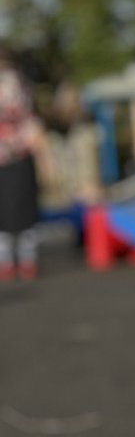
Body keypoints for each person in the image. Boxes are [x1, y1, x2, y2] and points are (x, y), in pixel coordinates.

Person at [0, 47, 48, 281]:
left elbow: (25, 118)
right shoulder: (20, 83)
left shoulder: (16, 84)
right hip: (13, 157)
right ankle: (13, 261)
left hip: (17, 157)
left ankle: (20, 261)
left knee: (20, 214)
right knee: (12, 215)